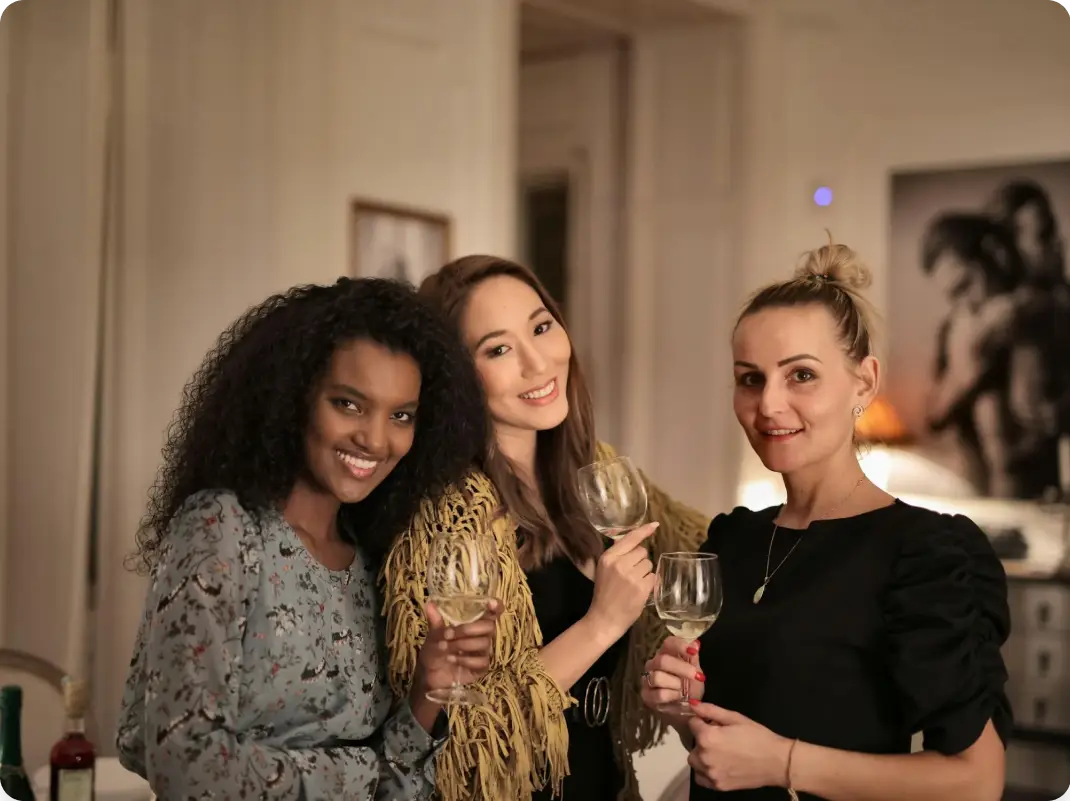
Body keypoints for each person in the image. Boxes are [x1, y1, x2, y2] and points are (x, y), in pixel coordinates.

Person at [640, 239, 1011, 800]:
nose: (769, 404)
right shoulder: (733, 541)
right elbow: (728, 752)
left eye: (801, 376)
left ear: (863, 382)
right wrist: (680, 712)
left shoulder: (924, 554)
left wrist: (785, 763)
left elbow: (977, 781)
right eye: (750, 378)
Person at [117, 277, 499, 801]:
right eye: (348, 404)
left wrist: (427, 688)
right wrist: (361, 772)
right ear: (293, 397)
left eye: (401, 416)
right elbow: (186, 766)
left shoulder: (368, 561)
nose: (375, 439)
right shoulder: (222, 528)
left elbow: (399, 780)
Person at [381, 256, 711, 801]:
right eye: (499, 349)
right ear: (456, 377)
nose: (538, 363)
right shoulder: (446, 517)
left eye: (541, 327)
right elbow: (462, 742)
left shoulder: (596, 471)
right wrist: (600, 624)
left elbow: (704, 548)